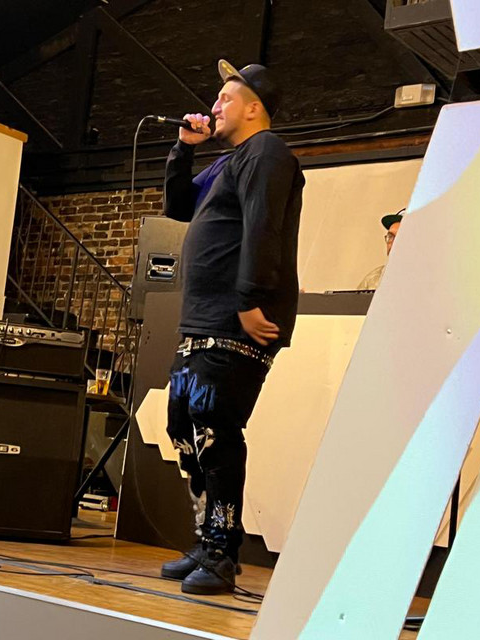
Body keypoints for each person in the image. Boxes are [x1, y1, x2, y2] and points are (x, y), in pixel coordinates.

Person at [160, 59, 305, 595]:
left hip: (233, 321)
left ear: (253, 108)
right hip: (202, 320)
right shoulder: (229, 161)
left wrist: (249, 298)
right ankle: (207, 539)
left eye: (226, 98)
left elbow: (264, 226)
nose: (214, 106)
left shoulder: (267, 152)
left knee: (216, 428)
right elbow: (179, 206)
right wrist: (184, 149)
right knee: (184, 426)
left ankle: (222, 552)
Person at [357, 208, 405, 290]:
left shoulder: (426, 278)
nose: (393, 244)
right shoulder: (373, 280)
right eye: (390, 237)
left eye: (400, 237)